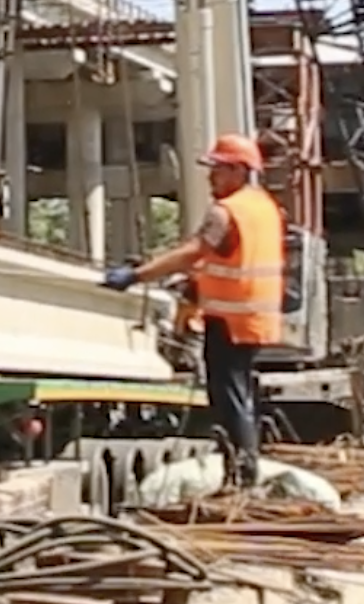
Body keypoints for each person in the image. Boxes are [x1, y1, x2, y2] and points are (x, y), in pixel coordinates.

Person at [100, 133, 284, 488]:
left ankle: (240, 478)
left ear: (237, 170)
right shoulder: (264, 207)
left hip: (228, 321)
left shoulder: (226, 211)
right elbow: (232, 258)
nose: (210, 177)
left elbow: (194, 250)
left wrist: (137, 275)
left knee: (228, 400)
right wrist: (197, 285)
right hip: (253, 320)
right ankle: (244, 472)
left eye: (216, 169)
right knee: (240, 396)